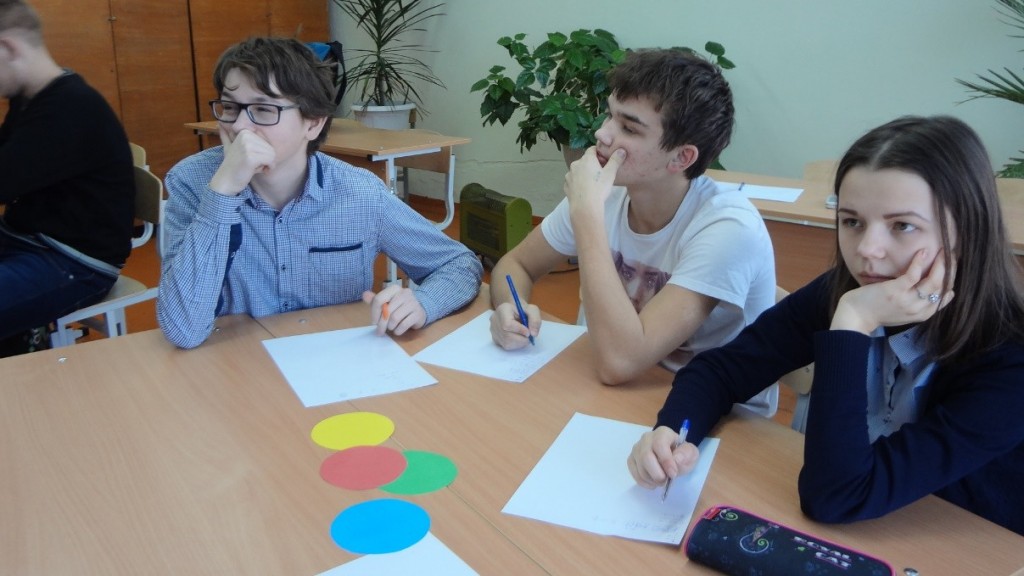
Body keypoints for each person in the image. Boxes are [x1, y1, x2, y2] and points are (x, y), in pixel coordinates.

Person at [628, 116, 1024, 536]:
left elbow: (835, 496)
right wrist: (673, 430)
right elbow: (721, 371)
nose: (868, 251)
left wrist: (852, 326)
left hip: (968, 543)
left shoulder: (1011, 361)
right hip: (867, 528)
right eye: (852, 221)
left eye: (902, 226)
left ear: (966, 230)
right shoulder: (847, 290)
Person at [489, 48, 777, 414]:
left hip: (709, 418)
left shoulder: (728, 228)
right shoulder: (608, 192)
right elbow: (515, 265)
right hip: (611, 393)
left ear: (682, 157)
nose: (602, 133)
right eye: (609, 114)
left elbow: (619, 364)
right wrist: (508, 309)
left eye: (629, 128)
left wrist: (586, 216)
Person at [158, 37, 482, 349]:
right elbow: (183, 329)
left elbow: (458, 264)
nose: (239, 126)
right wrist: (223, 193)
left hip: (333, 367)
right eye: (230, 107)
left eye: (263, 109)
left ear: (312, 124)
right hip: (235, 367)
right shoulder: (193, 182)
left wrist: (423, 302)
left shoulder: (359, 193)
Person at [0, 0, 134, 353]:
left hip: (74, 262)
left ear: (8, 48)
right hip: (27, 240)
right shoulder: (30, 98)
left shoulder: (69, 108)